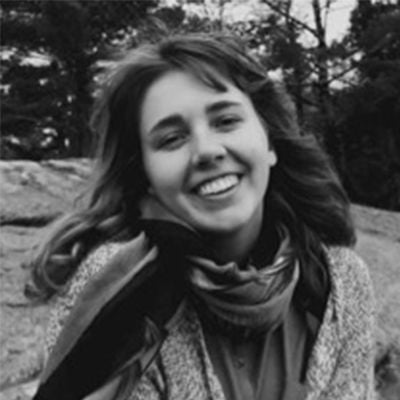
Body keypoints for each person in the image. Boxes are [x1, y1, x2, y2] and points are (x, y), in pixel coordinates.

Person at [29, 33, 376, 400]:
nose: (207, 151)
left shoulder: (341, 281)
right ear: (144, 175)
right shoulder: (111, 292)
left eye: (225, 120)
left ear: (270, 141)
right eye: (171, 139)